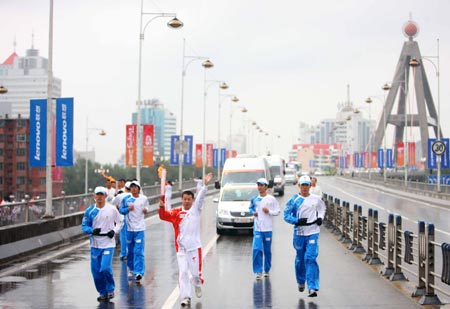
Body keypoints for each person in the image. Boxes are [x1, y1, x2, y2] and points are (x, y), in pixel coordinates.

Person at [158, 172, 213, 307]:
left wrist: (204, 186)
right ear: (182, 199)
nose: (187, 201)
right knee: (183, 273)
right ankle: (185, 297)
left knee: (195, 274)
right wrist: (160, 207)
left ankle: (198, 283)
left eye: (189, 199)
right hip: (181, 249)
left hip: (194, 248)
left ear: (192, 200)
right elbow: (163, 216)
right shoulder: (176, 213)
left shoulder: (196, 210)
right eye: (185, 199)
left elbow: (200, 198)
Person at [283, 175, 326, 297]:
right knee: (300, 259)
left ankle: (312, 287)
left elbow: (322, 209)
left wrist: (320, 218)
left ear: (310, 186)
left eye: (307, 185)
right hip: (299, 233)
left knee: (310, 258)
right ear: (299, 186)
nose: (305, 187)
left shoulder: (316, 199)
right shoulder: (294, 200)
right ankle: (301, 281)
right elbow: (286, 215)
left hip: (313, 232)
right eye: (303, 185)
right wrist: (296, 220)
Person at [81, 186, 123, 302]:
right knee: (96, 271)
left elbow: (120, 222)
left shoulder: (112, 209)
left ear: (105, 196)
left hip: (108, 243)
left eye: (101, 194)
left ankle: (110, 289)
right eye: (97, 194)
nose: (99, 197)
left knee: (105, 268)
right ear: (94, 196)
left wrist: (113, 231)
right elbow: (84, 226)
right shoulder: (90, 211)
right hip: (95, 244)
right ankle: (102, 292)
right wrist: (91, 231)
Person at [249, 178, 280, 280]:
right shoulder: (254, 199)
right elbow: (250, 209)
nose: (260, 187)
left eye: (262, 185)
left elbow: (277, 211)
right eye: (258, 185)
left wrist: (269, 211)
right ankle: (258, 271)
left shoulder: (271, 199)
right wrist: (253, 213)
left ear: (266, 186)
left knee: (267, 251)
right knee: (257, 249)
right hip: (258, 229)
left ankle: (266, 269)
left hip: (268, 229)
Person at [119, 180, 149, 283]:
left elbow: (146, 208)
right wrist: (128, 209)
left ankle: (139, 272)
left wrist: (146, 210)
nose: (133, 188)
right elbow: (121, 210)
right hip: (129, 229)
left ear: (139, 189)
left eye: (135, 187)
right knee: (130, 252)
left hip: (140, 229)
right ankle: (131, 269)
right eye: (132, 187)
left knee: (138, 251)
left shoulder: (144, 198)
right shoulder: (126, 199)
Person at [112, 181, 132, 261]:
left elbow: (114, 203)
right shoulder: (135, 196)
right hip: (133, 220)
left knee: (123, 237)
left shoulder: (121, 196)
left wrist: (116, 197)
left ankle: (124, 254)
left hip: (122, 218)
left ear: (125, 188)